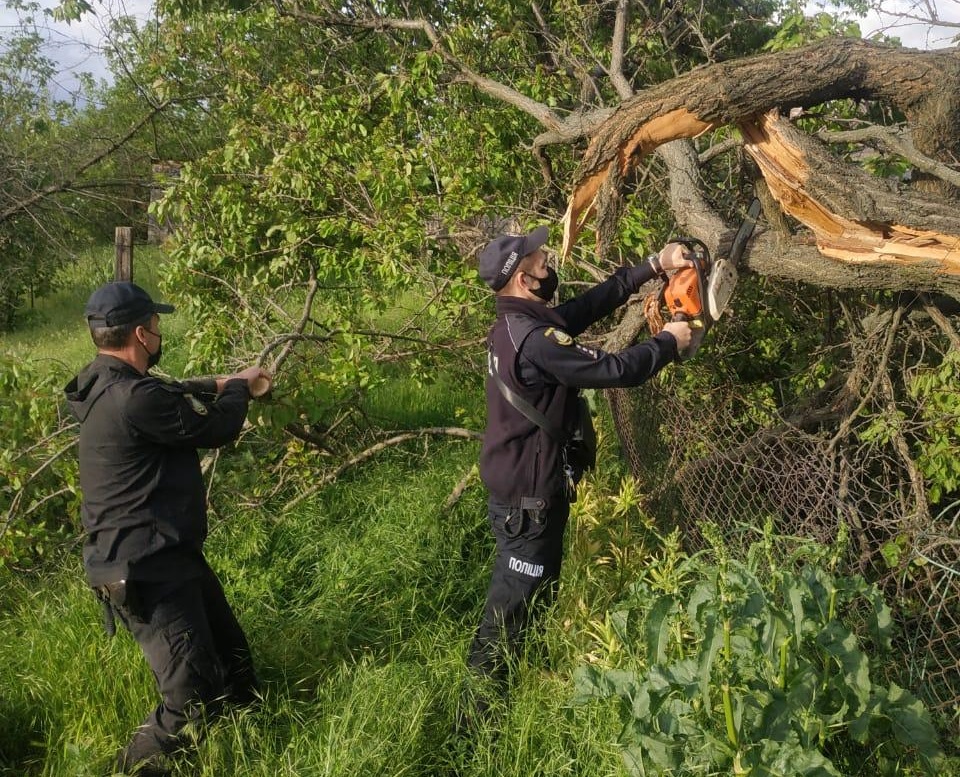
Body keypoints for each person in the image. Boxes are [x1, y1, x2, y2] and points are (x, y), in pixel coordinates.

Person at [464, 226, 693, 712]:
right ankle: (476, 721)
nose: (551, 270)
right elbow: (615, 371)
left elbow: (586, 308)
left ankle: (516, 679)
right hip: (528, 502)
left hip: (520, 492)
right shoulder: (535, 340)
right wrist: (669, 341)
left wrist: (653, 265)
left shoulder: (515, 323)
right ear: (524, 281)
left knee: (534, 595)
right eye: (543, 265)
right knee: (509, 608)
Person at [64, 281, 271, 776]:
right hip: (145, 568)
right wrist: (242, 388)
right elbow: (218, 429)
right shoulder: (133, 399)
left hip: (165, 554)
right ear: (141, 333)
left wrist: (222, 381)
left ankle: (252, 748)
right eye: (156, 326)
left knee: (231, 659)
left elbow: (170, 391)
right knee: (190, 700)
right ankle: (132, 770)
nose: (160, 333)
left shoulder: (99, 384)